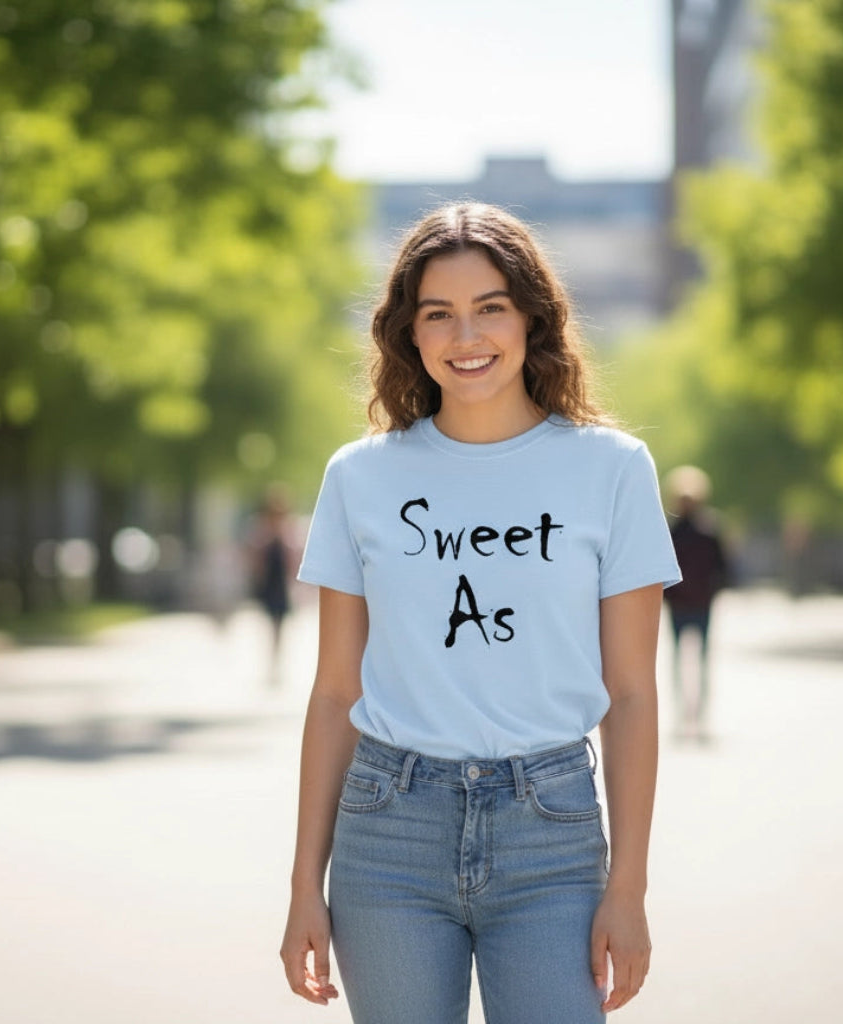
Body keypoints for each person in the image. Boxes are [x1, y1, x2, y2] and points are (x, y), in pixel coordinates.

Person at [279, 202, 680, 1024]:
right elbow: (332, 695)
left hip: (552, 833)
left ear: (532, 317)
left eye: (490, 307)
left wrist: (628, 887)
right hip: (387, 834)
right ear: (410, 334)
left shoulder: (612, 469)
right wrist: (302, 889)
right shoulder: (360, 478)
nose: (467, 336)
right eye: (439, 314)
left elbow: (632, 695)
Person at [662, 465, 728, 740]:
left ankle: (698, 715)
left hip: (697, 604)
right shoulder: (672, 530)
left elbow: (722, 568)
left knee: (698, 661)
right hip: (685, 604)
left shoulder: (707, 530)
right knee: (681, 660)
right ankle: (683, 714)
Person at [246, 483, 301, 682]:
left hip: (282, 585)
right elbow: (254, 557)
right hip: (269, 584)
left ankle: (276, 663)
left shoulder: (289, 530)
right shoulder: (262, 529)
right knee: (270, 624)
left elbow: (294, 559)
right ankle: (271, 661)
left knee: (279, 625)